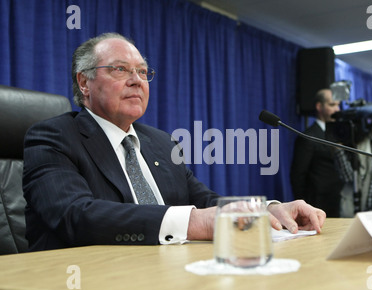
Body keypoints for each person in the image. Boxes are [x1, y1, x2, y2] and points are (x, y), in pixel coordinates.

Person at [22, 33, 325, 251]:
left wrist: (265, 211)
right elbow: (77, 216)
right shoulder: (54, 137)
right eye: (120, 69)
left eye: (142, 71)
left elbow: (205, 202)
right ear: (84, 82)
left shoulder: (161, 143)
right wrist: (194, 223)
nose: (136, 80)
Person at [290, 89, 343, 217]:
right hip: (316, 204)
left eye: (338, 105)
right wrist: (303, 207)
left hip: (338, 203)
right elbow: (298, 176)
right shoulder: (308, 136)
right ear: (319, 106)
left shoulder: (340, 134)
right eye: (332, 105)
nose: (337, 109)